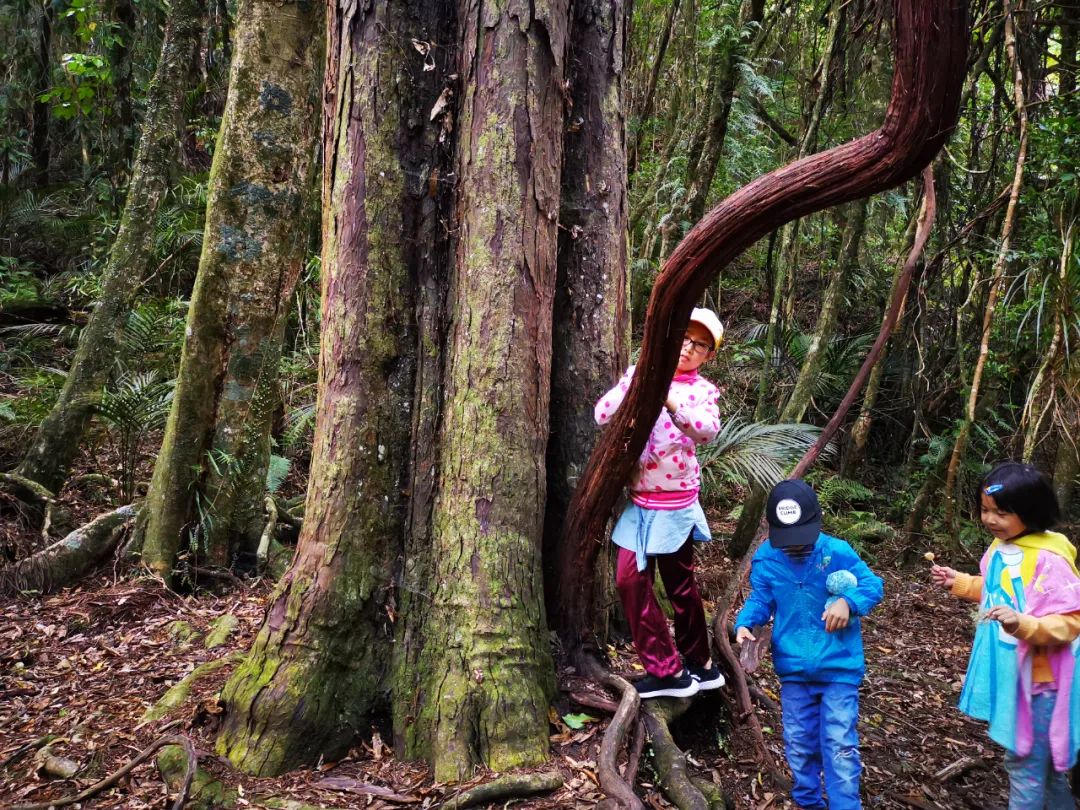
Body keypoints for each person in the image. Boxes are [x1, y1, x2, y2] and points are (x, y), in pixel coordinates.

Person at [930, 462, 1080, 809]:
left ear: (1031, 512)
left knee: (1027, 765)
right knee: (1045, 771)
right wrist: (961, 583)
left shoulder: (1049, 558)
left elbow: (1071, 619)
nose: (990, 520)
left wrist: (1023, 625)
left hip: (1043, 682)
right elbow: (1000, 591)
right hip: (1013, 672)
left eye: (1002, 512)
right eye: (985, 510)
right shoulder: (1002, 546)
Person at [595, 307, 725, 698]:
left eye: (699, 344)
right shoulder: (640, 374)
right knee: (629, 580)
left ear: (708, 355)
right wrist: (638, 384)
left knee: (680, 587)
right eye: (684, 337)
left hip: (676, 505)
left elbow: (707, 431)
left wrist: (669, 399)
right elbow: (602, 414)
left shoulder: (702, 391)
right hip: (639, 503)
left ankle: (700, 664)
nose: (688, 348)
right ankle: (668, 671)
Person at [735, 479, 883, 810]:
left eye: (802, 540)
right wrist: (745, 623)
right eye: (787, 541)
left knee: (839, 742)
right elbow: (762, 598)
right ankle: (808, 801)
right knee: (799, 742)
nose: (795, 548)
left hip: (838, 667)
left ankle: (845, 804)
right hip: (794, 670)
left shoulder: (837, 552)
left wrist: (849, 601)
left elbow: (873, 585)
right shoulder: (766, 559)